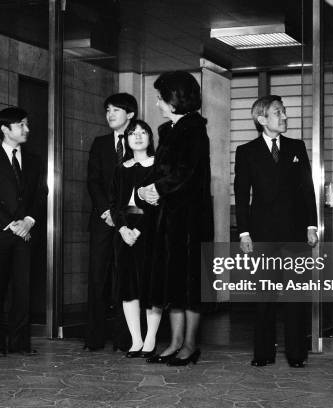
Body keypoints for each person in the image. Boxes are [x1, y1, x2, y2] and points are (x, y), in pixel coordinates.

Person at [233, 95, 318, 368]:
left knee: (296, 296)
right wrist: (244, 233)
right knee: (264, 296)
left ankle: (296, 354)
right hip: (262, 234)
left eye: (283, 111)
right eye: (277, 112)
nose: (284, 116)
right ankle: (263, 353)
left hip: (295, 234)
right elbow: (241, 193)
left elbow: (307, 190)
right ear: (262, 119)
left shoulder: (297, 147)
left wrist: (311, 226)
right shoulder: (246, 152)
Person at [138, 71, 214, 366]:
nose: (157, 103)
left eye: (160, 97)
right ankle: (175, 341)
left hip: (189, 219)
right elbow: (162, 171)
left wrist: (158, 189)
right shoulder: (168, 130)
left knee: (190, 284)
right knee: (172, 282)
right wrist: (147, 189)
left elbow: (186, 173)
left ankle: (191, 345)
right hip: (169, 218)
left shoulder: (194, 129)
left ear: (174, 98)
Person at [0, 107, 45, 357]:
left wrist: (28, 220)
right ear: (5, 129)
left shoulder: (35, 161)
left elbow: (40, 194)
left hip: (26, 233)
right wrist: (12, 224)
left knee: (22, 289)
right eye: (21, 125)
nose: (26, 129)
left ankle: (20, 343)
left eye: (27, 125)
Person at [85, 93, 137, 351]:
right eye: (107, 109)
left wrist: (120, 215)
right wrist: (106, 211)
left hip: (129, 222)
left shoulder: (140, 141)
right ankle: (94, 337)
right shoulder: (100, 143)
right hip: (102, 221)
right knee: (97, 277)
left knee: (124, 278)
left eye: (115, 110)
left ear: (130, 114)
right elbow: (92, 180)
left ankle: (124, 338)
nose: (109, 114)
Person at [109, 119, 159, 358]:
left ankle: (150, 339)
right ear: (126, 139)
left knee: (150, 286)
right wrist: (122, 229)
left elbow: (158, 207)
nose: (137, 136)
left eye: (143, 132)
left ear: (150, 137)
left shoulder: (158, 166)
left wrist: (137, 231)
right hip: (123, 232)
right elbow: (114, 204)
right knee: (128, 288)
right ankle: (136, 340)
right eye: (132, 133)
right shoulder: (120, 168)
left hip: (149, 232)